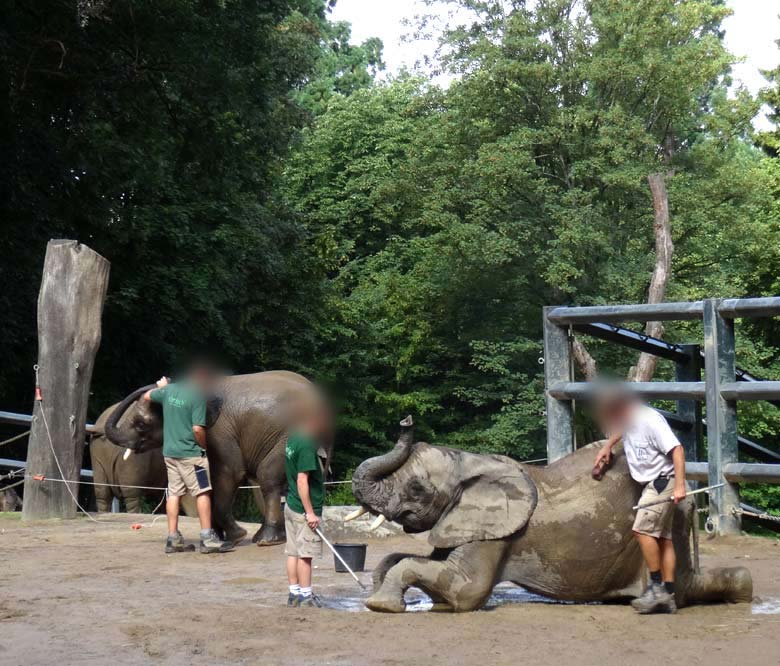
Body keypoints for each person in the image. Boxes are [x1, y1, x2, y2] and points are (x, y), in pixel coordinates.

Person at [594, 392, 687, 614]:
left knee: (641, 531)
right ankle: (669, 593)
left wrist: (680, 485)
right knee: (663, 539)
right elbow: (622, 430)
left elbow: (677, 449)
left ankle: (655, 589)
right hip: (652, 483)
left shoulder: (649, 419)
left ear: (622, 409)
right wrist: (608, 446)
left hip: (661, 482)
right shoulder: (627, 419)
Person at [143, 368, 232, 554]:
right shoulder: (198, 396)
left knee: (174, 493)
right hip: (192, 456)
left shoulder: (170, 390)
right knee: (203, 492)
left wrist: (163, 388)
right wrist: (203, 448)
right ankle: (208, 538)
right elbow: (198, 429)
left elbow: (147, 396)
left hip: (170, 454)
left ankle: (173, 539)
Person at [284, 408, 326, 608]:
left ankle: (294, 594)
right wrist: (310, 512)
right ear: (316, 423)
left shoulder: (293, 438)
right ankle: (306, 597)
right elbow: (302, 480)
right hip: (303, 510)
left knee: (293, 552)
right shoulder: (307, 445)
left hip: (291, 505)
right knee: (306, 555)